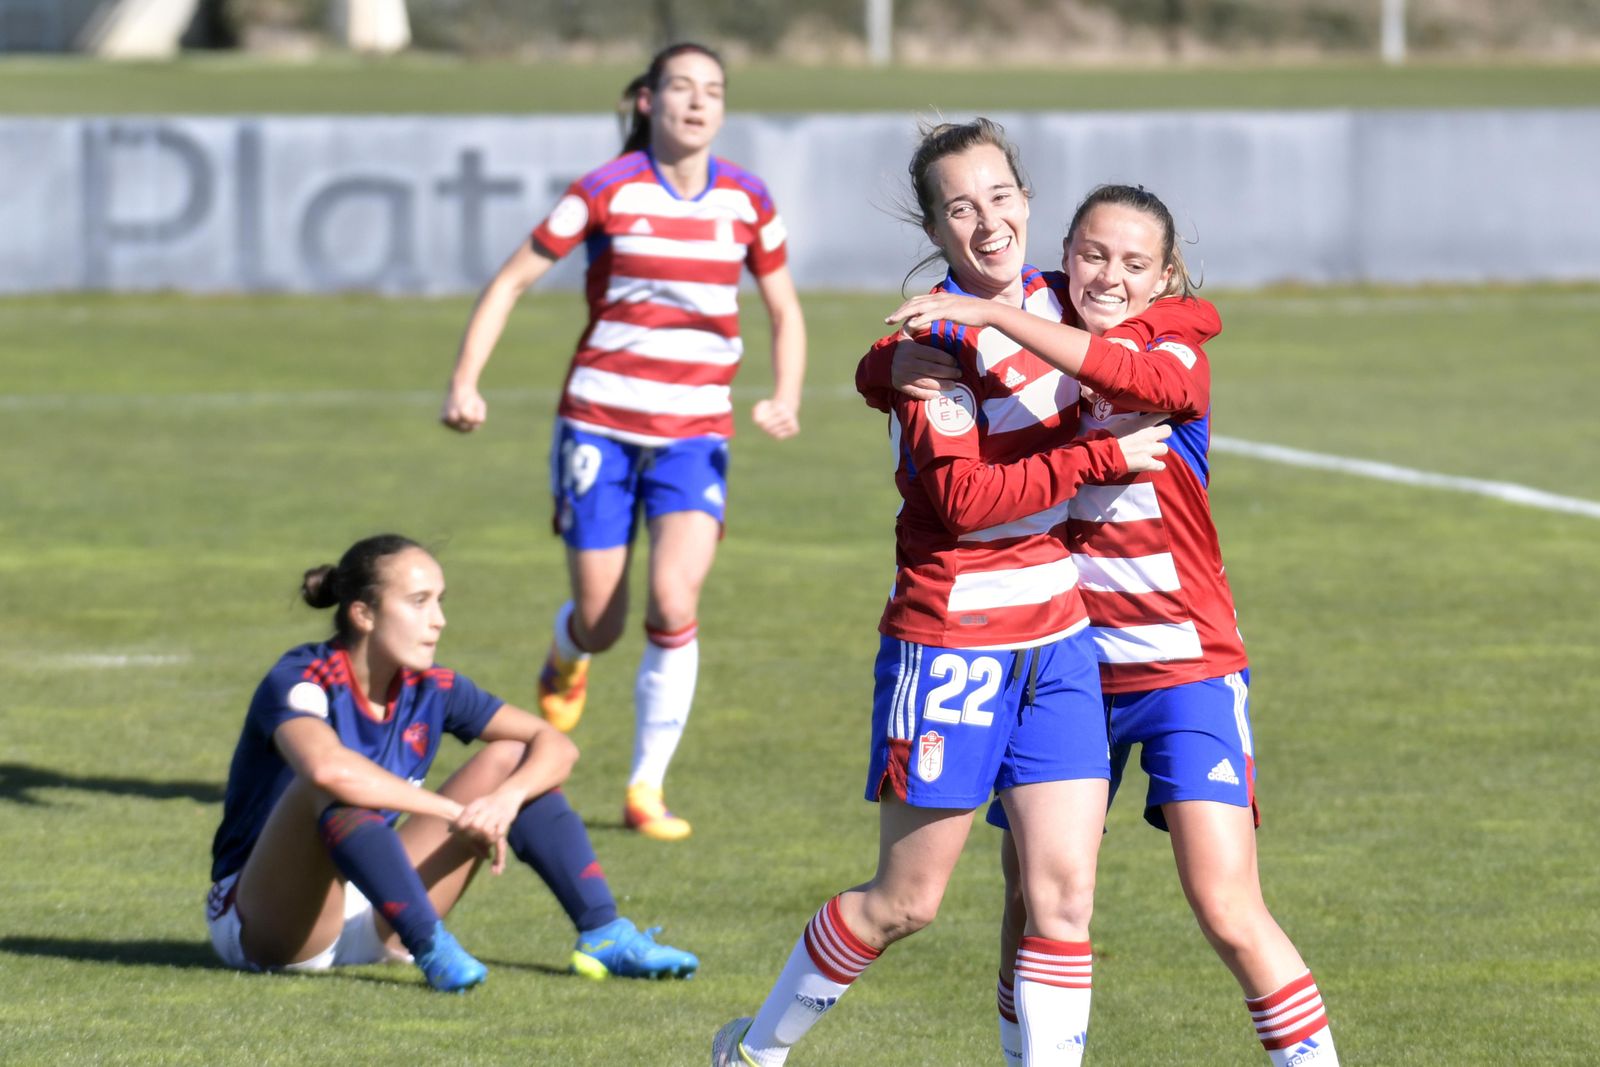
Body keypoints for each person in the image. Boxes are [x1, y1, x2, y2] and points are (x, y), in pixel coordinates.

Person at [712, 121, 1172, 1067]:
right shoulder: (930, 336)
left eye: (1001, 196)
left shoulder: (1063, 300)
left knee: (1063, 896)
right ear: (934, 227)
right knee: (907, 902)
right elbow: (963, 501)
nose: (988, 220)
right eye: (960, 206)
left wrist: (864, 371)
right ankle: (754, 1051)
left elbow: (1186, 323)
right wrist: (1098, 454)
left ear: (1028, 200)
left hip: (1062, 641)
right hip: (954, 637)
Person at [881, 184, 1341, 1065]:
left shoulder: (1176, 341)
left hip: (1185, 668)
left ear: (1167, 275)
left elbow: (1136, 378)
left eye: (1136, 264)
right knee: (1034, 895)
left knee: (1228, 907)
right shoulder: (1036, 319)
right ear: (1065, 252)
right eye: (1093, 255)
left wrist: (990, 316)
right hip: (1066, 662)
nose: (1110, 276)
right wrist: (886, 367)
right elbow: (909, 365)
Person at [440, 42, 806, 842]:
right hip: (600, 427)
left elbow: (782, 306)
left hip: (692, 435)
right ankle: (569, 649)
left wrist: (785, 394)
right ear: (647, 100)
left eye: (713, 90)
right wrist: (466, 380)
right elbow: (510, 281)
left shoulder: (747, 198)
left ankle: (647, 784)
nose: (698, 102)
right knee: (604, 622)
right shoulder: (604, 190)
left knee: (675, 601)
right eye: (682, 87)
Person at [205, 534, 699, 991]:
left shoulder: (432, 686)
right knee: (330, 787)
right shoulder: (302, 677)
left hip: (381, 910)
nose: (438, 619)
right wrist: (453, 812)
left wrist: (504, 801)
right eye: (419, 602)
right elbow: (327, 770)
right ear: (363, 614)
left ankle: (604, 933)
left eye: (440, 601)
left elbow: (555, 744)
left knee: (515, 758)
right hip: (272, 924)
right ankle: (430, 946)